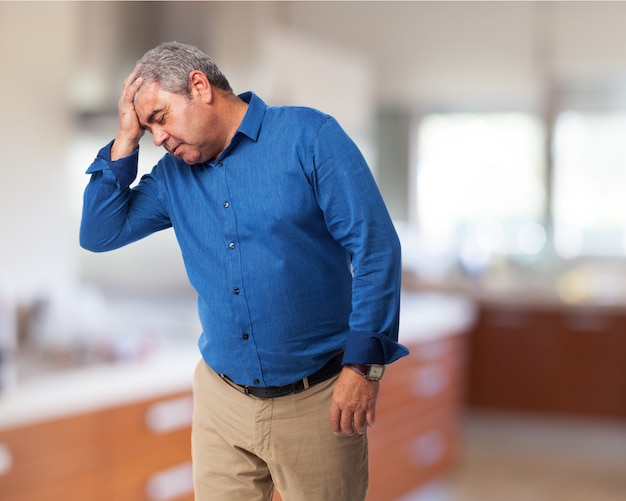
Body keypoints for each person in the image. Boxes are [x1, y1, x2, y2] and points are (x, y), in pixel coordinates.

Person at [80, 41, 408, 501]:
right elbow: (99, 232)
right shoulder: (172, 177)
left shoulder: (309, 137)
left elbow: (375, 247)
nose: (158, 137)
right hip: (221, 403)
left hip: (318, 401)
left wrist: (363, 368)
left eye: (159, 117)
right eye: (147, 128)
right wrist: (125, 140)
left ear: (200, 87)